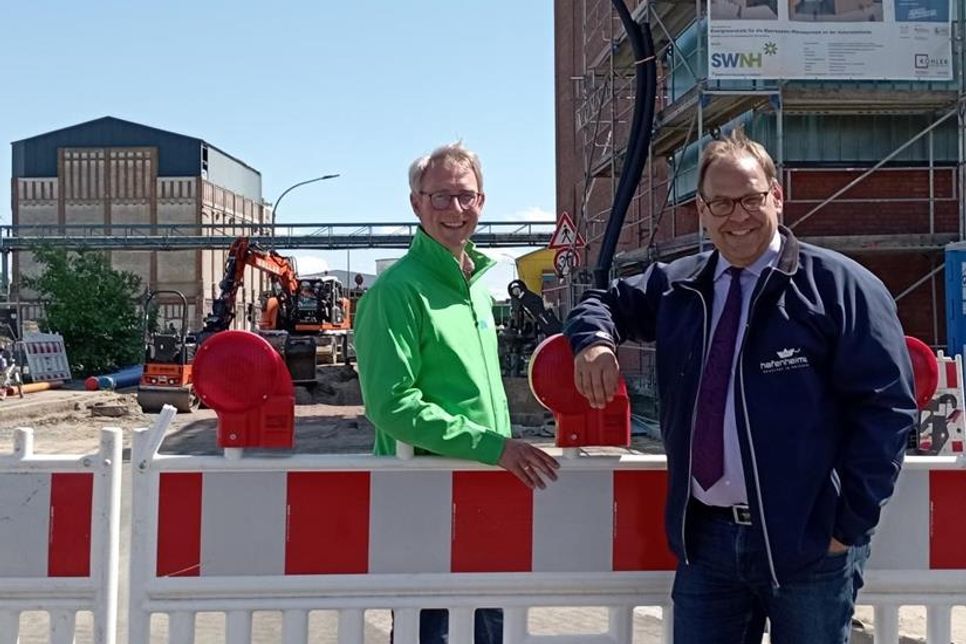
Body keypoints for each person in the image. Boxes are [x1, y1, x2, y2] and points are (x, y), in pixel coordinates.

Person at [564, 128, 916, 644]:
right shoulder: (679, 286)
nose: (738, 216)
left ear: (777, 196)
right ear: (701, 212)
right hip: (707, 545)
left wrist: (848, 525)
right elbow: (600, 303)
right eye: (721, 203)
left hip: (808, 546)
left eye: (751, 199)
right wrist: (594, 341)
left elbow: (887, 410)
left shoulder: (842, 288)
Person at [355, 141, 559, 644]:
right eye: (441, 197)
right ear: (416, 204)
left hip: (486, 501)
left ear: (482, 202)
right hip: (426, 505)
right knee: (436, 631)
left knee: (492, 628)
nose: (455, 210)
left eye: (465, 196)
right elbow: (391, 404)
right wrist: (497, 448)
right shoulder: (397, 293)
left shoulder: (475, 289)